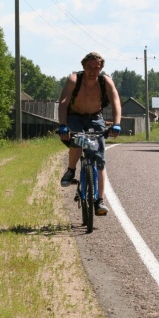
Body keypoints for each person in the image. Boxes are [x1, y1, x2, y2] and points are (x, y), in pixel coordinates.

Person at [58, 52, 122, 216]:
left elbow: (115, 102)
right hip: (75, 117)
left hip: (95, 118)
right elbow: (63, 103)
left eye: (97, 67)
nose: (93, 71)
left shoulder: (105, 81)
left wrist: (116, 124)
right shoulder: (75, 79)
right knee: (77, 140)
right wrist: (63, 125)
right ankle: (71, 170)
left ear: (101, 68)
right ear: (84, 67)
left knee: (99, 159)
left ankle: (99, 200)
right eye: (90, 67)